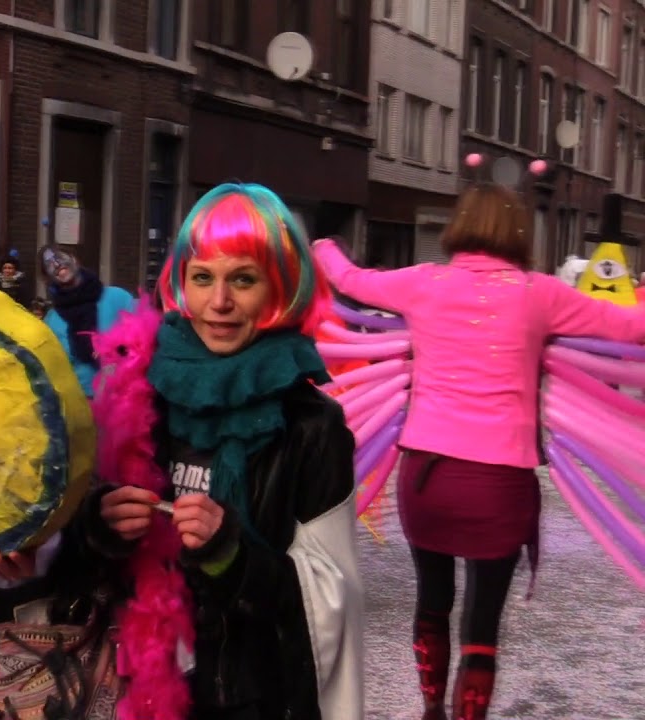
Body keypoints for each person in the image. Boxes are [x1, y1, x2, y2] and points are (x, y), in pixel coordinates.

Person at [313, 183, 645, 720]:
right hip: (500, 483)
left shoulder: (424, 283)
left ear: (460, 226)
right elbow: (630, 326)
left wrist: (322, 246)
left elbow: (350, 280)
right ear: (519, 231)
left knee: (432, 600)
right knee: (482, 623)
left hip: (427, 477)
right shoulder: (542, 293)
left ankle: (430, 709)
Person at [67, 183, 362, 720]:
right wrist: (99, 524)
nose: (219, 303)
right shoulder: (138, 390)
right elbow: (76, 561)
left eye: (242, 280)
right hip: (139, 685)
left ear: (278, 289)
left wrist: (231, 552)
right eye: (202, 278)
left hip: (249, 696)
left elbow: (328, 603)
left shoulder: (312, 425)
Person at [39, 244, 136, 397]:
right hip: (81, 405)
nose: (57, 265)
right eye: (49, 264)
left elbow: (145, 341)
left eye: (60, 257)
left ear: (75, 260)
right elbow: (53, 370)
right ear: (48, 277)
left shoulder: (118, 298)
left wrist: (118, 352)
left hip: (124, 400)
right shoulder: (52, 320)